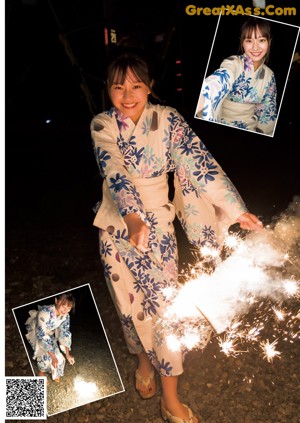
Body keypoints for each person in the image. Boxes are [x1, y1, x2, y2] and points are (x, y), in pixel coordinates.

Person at [90, 47, 263, 423]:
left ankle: (170, 398)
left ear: (150, 87)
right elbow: (114, 171)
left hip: (160, 233)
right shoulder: (102, 124)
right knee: (128, 307)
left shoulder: (167, 120)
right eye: (118, 87)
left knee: (167, 313)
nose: (128, 95)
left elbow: (199, 162)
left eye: (136, 85)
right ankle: (143, 363)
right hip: (115, 229)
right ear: (108, 90)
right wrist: (133, 219)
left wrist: (236, 210)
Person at [195, 17, 277, 136]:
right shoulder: (233, 63)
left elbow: (267, 112)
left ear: (269, 42)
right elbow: (221, 78)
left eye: (261, 40)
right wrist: (205, 95)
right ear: (242, 43)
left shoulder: (269, 75)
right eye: (249, 40)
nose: (255, 47)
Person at [25, 293, 75, 382]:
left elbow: (65, 333)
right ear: (56, 301)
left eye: (69, 308)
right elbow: (41, 335)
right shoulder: (45, 312)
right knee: (45, 355)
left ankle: (55, 372)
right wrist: (52, 357)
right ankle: (41, 373)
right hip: (37, 332)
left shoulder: (66, 316)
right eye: (63, 306)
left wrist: (67, 354)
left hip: (50, 333)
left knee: (58, 355)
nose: (65, 310)